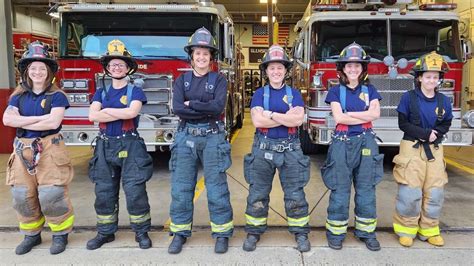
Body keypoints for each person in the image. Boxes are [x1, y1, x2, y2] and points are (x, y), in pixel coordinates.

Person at [3, 41, 74, 255]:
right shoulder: (17, 96)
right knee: (21, 195)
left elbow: (53, 123)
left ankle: (60, 235)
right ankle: (31, 235)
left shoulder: (58, 96)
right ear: (26, 71)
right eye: (33, 68)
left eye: (42, 68)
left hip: (50, 148)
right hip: (22, 149)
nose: (37, 72)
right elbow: (7, 119)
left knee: (51, 194)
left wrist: (22, 120)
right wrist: (39, 118)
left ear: (49, 72)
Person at [168, 27, 233, 254]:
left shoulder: (219, 79)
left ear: (211, 57)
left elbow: (218, 108)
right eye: (198, 53)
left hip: (213, 136)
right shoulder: (181, 80)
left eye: (206, 53)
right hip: (186, 136)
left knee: (217, 188)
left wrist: (192, 104)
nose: (202, 57)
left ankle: (222, 233)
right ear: (191, 56)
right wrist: (201, 109)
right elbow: (177, 109)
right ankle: (179, 233)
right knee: (181, 188)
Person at [243, 44, 311, 253]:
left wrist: (270, 115)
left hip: (290, 149)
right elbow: (257, 121)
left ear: (286, 70)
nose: (276, 72)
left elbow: (298, 119)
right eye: (271, 68)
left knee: (295, 193)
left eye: (280, 67)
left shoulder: (294, 93)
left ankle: (300, 232)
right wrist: (284, 118)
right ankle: (254, 231)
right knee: (258, 192)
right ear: (265, 70)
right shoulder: (259, 94)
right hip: (263, 149)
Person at [86, 39, 153, 250]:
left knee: (135, 191)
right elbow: (91, 116)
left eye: (121, 64)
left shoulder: (135, 92)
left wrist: (105, 113)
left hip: (130, 145)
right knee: (104, 191)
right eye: (113, 64)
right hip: (105, 147)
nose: (116, 67)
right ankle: (105, 233)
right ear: (107, 68)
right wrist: (113, 113)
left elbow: (131, 112)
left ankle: (141, 232)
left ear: (128, 68)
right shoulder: (100, 91)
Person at [321, 42, 384, 251]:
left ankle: (366, 232)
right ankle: (336, 233)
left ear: (363, 68)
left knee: (366, 188)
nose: (353, 69)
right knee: (340, 189)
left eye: (357, 65)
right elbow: (339, 117)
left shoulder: (371, 89)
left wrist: (350, 115)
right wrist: (361, 114)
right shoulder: (334, 91)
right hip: (342, 142)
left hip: (366, 141)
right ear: (342, 68)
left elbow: (375, 114)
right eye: (349, 65)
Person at [392, 51, 452, 247]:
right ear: (419, 78)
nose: (431, 80)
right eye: (427, 77)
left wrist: (436, 133)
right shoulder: (408, 98)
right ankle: (406, 229)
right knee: (409, 192)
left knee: (435, 192)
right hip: (412, 148)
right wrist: (424, 134)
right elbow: (403, 124)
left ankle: (429, 229)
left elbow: (447, 123)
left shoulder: (444, 101)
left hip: (435, 149)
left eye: (435, 77)